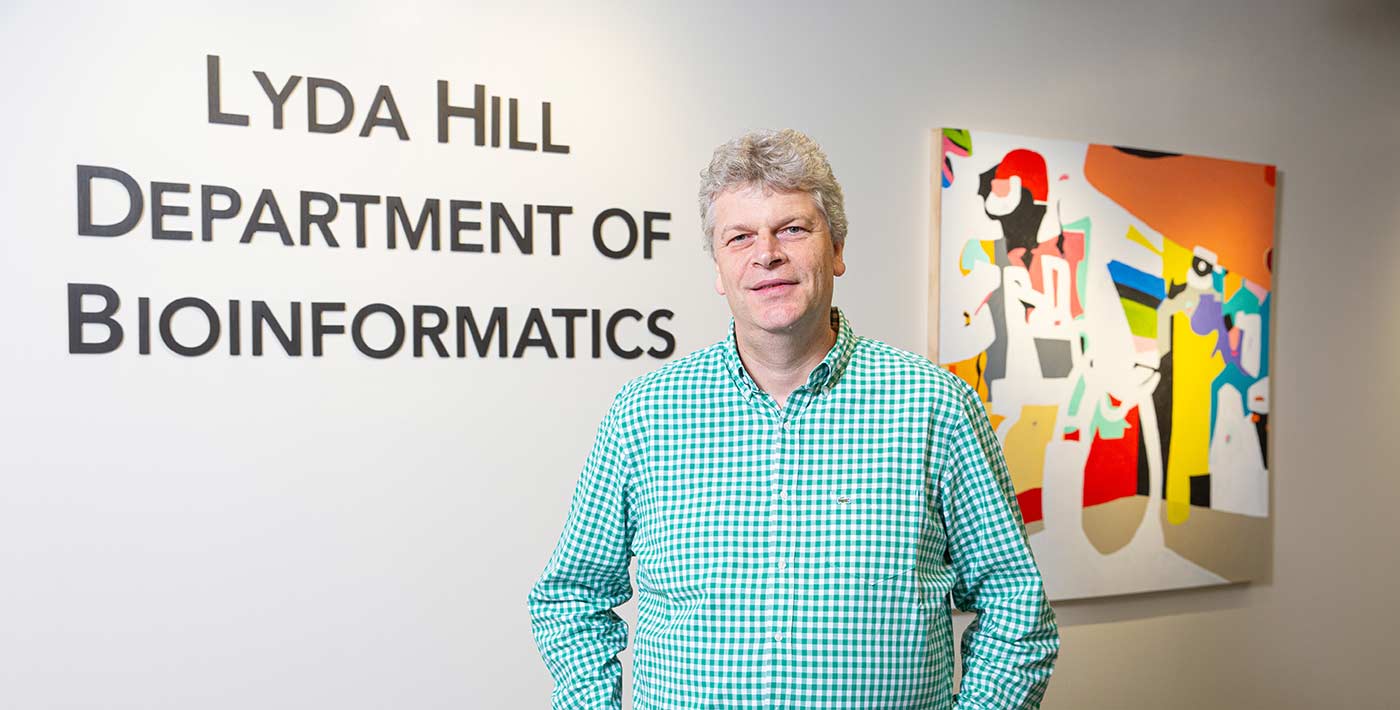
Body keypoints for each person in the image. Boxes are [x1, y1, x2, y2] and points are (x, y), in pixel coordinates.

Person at [528, 128, 1059, 709]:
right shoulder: (645, 414)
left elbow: (1014, 601)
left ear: (836, 250)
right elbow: (571, 595)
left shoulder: (936, 406)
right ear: (718, 269)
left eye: (792, 229)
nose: (767, 254)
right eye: (739, 237)